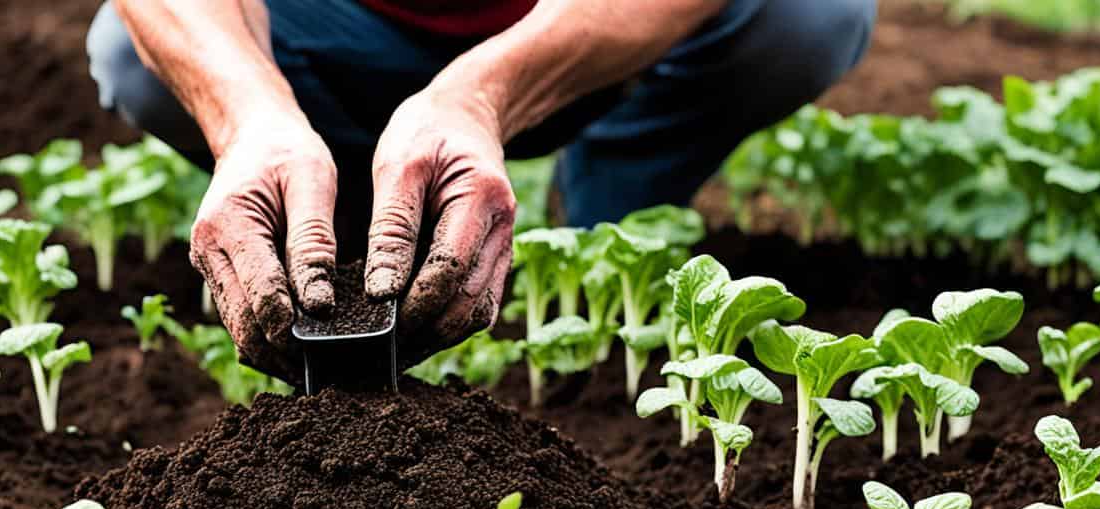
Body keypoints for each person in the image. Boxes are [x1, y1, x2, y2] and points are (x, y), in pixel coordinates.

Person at [88, 0, 876, 380]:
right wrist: (249, 115)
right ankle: (353, 240)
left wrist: (484, 94)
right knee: (137, 50)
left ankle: (611, 222)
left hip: (583, 32)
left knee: (810, 15)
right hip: (340, 25)